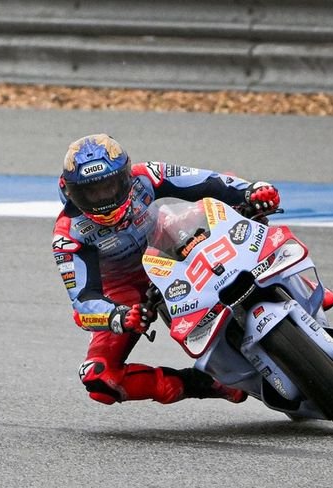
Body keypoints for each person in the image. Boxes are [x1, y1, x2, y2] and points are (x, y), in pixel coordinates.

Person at [53, 134, 287, 406]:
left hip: (172, 241)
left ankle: (293, 285)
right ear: (69, 191)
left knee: (244, 208)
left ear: (126, 175)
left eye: (110, 185)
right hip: (125, 293)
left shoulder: (148, 175)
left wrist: (252, 191)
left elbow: (209, 181)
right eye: (91, 191)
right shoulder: (68, 235)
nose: (104, 197)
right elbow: (82, 302)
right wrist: (117, 316)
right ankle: (205, 383)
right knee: (98, 377)